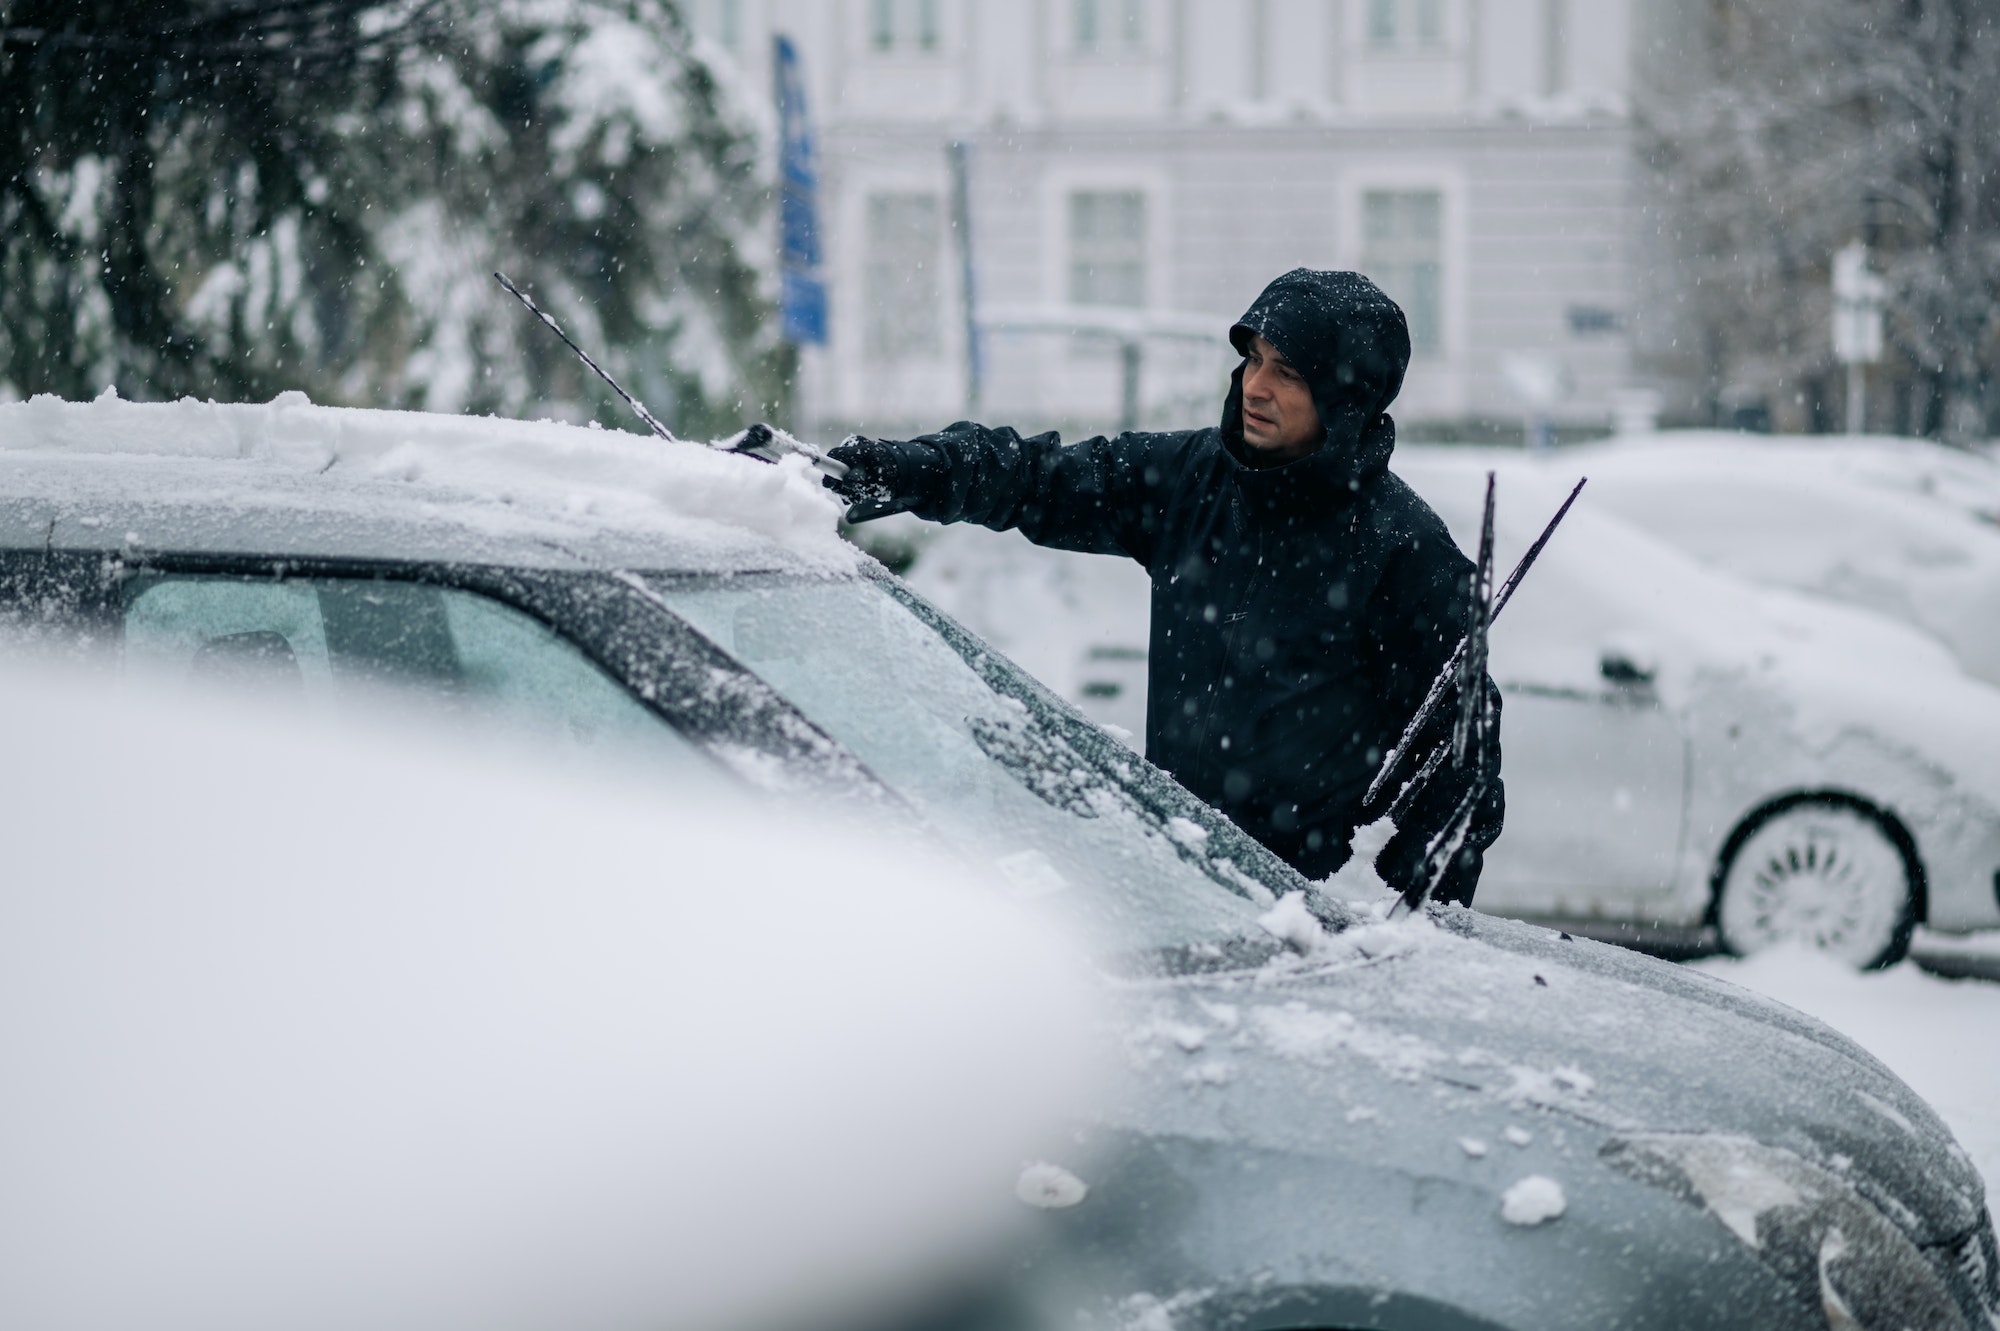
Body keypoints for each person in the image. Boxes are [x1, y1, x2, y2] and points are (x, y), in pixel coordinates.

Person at [825, 268, 1502, 905]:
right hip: (1179, 888)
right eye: (1255, 359)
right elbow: (1038, 478)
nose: (1255, 386)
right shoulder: (1193, 478)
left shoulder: (1407, 553)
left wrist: (1394, 921)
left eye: (1288, 372)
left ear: (1347, 400)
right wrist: (910, 470)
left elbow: (1462, 779)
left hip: (1311, 925)